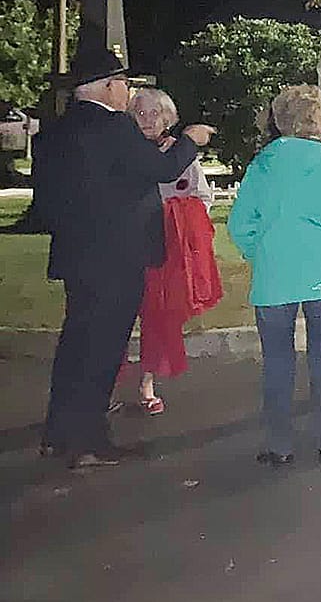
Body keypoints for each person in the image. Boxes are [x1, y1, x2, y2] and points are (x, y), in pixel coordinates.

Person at [33, 45, 213, 468]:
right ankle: (90, 442)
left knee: (76, 343)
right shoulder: (114, 127)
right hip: (117, 257)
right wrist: (190, 141)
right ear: (110, 87)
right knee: (103, 349)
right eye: (124, 84)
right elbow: (160, 169)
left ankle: (58, 433)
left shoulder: (56, 132)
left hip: (78, 255)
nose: (128, 93)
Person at [229, 85, 321, 465]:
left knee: (277, 362)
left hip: (275, 276)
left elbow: (241, 223)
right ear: (319, 119)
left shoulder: (263, 164)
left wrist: (259, 250)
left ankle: (280, 444)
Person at [124, 88, 221, 415]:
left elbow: (203, 199)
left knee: (157, 321)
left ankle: (146, 383)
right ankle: (104, 385)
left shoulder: (183, 155)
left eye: (155, 113)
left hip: (166, 254)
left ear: (169, 117)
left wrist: (179, 217)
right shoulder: (125, 153)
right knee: (116, 319)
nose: (149, 120)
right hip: (127, 251)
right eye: (141, 113)